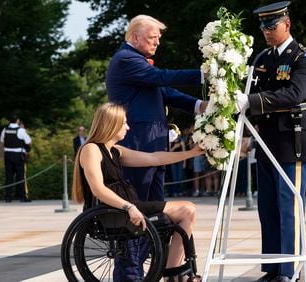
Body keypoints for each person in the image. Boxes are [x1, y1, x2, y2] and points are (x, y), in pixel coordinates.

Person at [105, 14, 207, 277]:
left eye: (158, 38)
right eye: (152, 38)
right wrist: (205, 74)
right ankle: (129, 273)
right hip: (137, 144)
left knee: (155, 210)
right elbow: (163, 77)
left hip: (152, 144)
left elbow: (167, 93)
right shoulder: (126, 60)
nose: (157, 43)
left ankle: (159, 267)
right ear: (134, 37)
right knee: (137, 209)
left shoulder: (140, 64)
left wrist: (200, 106)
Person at [71, 102, 203, 281]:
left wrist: (192, 153)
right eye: (124, 122)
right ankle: (172, 275)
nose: (128, 126)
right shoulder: (91, 149)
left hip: (126, 207)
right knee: (187, 210)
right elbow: (98, 189)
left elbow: (154, 158)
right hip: (114, 212)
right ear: (112, 123)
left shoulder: (115, 150)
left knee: (187, 212)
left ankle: (173, 273)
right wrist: (128, 207)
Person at [235, 2, 306, 281]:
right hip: (265, 139)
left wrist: (252, 101)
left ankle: (289, 270)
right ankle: (272, 268)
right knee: (267, 207)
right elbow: (250, 91)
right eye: (263, 27)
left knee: (288, 206)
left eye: (272, 26)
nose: (267, 32)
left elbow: (296, 92)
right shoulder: (262, 59)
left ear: (287, 24)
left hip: (290, 140)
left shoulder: (302, 57)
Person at [0, 114, 32, 202]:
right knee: (20, 176)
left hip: (7, 154)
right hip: (18, 155)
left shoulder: (5, 130)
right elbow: (28, 141)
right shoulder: (20, 130)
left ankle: (8, 197)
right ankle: (21, 196)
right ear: (17, 120)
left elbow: (2, 141)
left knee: (8, 176)